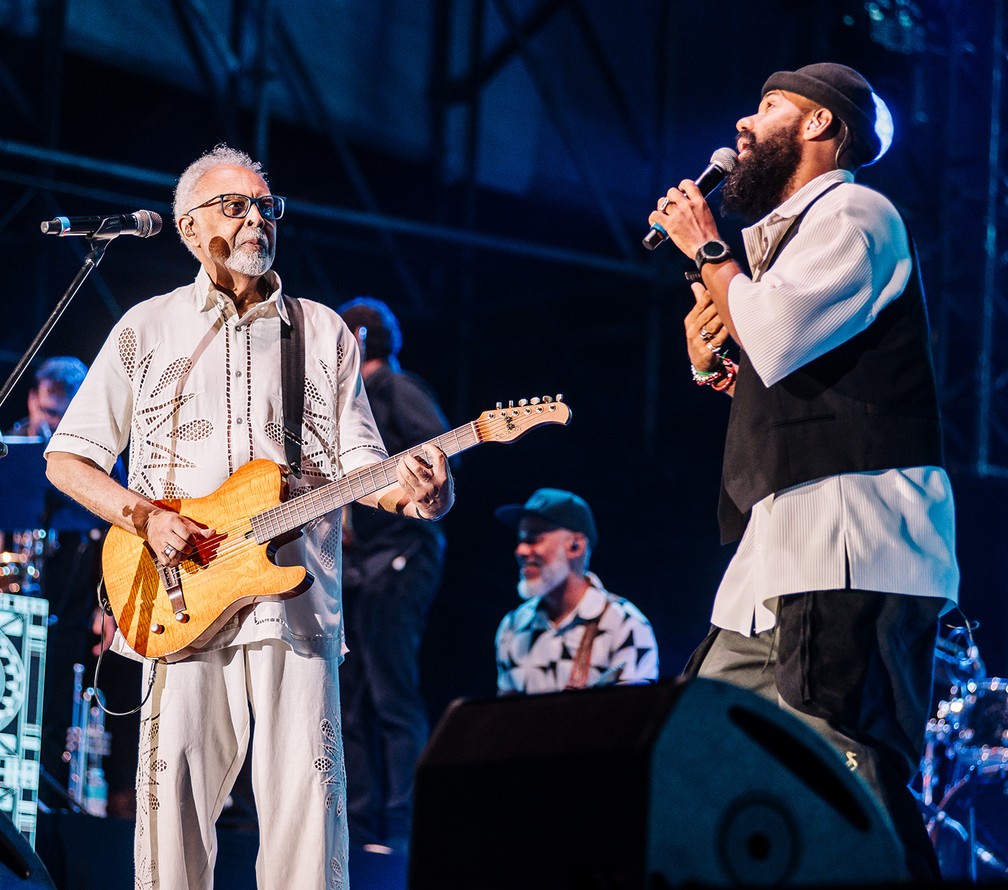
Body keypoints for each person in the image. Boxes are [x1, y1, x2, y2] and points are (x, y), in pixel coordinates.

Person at [43, 144, 454, 889]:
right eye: (235, 206)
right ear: (189, 229)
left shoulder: (323, 331)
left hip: (295, 602)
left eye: (266, 206)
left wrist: (413, 493)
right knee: (172, 820)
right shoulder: (146, 329)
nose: (257, 217)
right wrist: (141, 517)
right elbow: (66, 459)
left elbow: (361, 466)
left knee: (307, 813)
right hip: (177, 595)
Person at [648, 63, 958, 880]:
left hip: (854, 538)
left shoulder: (857, 211)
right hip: (777, 544)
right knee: (699, 749)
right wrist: (715, 363)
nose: (746, 124)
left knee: (852, 778)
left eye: (770, 106)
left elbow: (779, 336)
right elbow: (776, 362)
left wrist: (710, 248)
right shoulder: (778, 241)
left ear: (820, 126)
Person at [335, 296, 450, 855]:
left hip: (400, 560)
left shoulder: (397, 390)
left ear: (355, 342)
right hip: (359, 568)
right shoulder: (348, 404)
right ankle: (359, 828)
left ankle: (404, 829)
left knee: (392, 694)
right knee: (352, 699)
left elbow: (442, 452)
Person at [3, 356, 139, 819]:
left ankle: (51, 810)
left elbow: (115, 534)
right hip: (15, 598)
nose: (49, 424)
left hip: (70, 603)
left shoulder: (94, 458)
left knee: (56, 710)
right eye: (45, 411)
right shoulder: (12, 449)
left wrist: (107, 606)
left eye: (61, 415)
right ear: (31, 399)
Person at [494, 488, 658, 694]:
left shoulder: (626, 624)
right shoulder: (512, 626)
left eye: (534, 539)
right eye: (521, 540)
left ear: (575, 545)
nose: (521, 551)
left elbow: (636, 719)